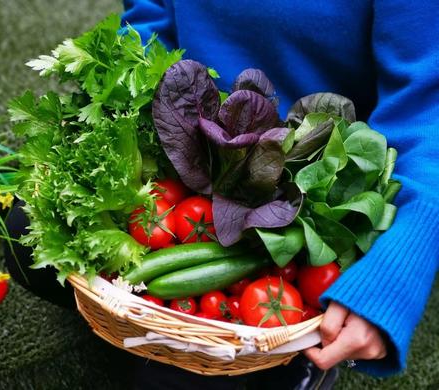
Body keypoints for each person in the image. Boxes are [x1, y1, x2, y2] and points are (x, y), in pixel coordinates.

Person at [119, 0, 439, 383]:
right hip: (186, 166)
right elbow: (148, 17)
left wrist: (393, 274)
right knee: (26, 232)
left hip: (307, 186)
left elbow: (427, 106)